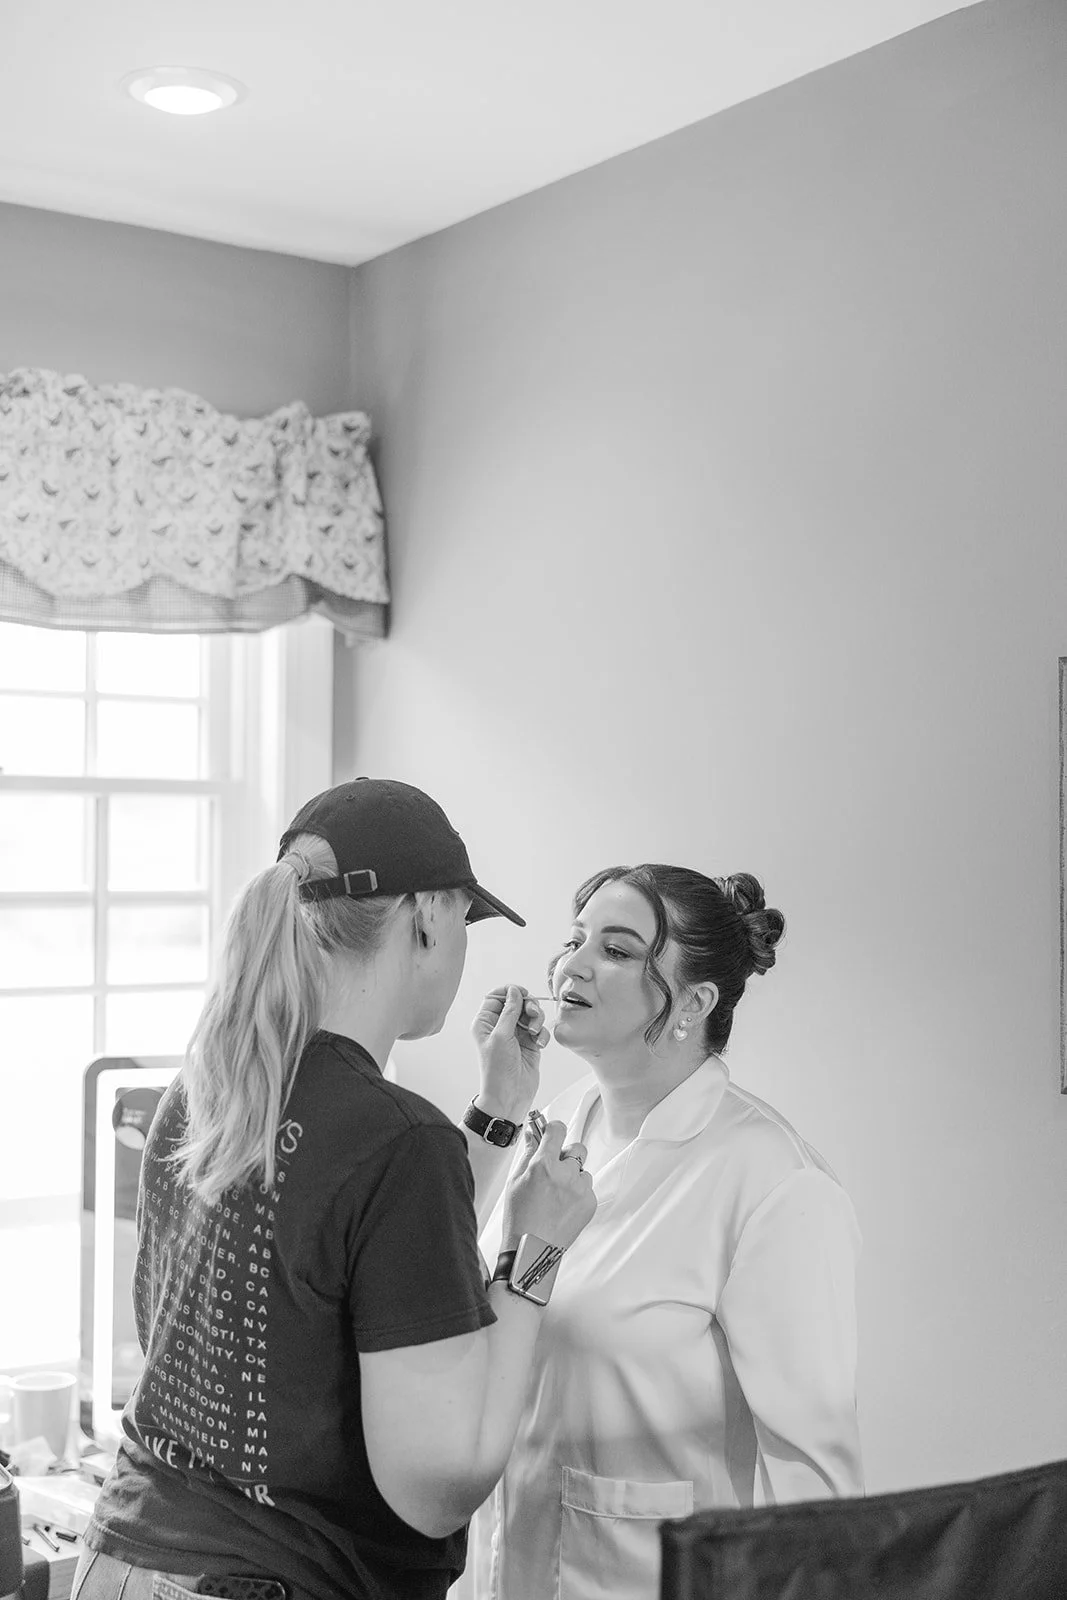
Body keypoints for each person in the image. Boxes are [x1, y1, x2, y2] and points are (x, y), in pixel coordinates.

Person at [73, 778, 595, 1600]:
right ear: (425, 917)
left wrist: (496, 1114)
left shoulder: (206, 1089)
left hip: (122, 1560)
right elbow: (436, 1488)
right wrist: (533, 1256)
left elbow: (343, 1236)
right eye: (465, 920)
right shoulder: (397, 1139)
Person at [473, 863, 863, 1600]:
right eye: (574, 939)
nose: (570, 965)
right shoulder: (556, 1119)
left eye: (616, 950)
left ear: (694, 1001)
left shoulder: (775, 1184)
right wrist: (495, 1106)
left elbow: (816, 1491)